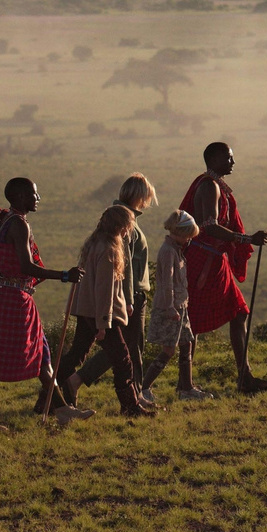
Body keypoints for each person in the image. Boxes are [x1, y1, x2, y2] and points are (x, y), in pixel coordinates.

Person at [0, 177, 89, 429]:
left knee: (40, 353)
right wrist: (64, 275)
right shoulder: (18, 225)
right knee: (5, 356)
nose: (38, 198)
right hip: (13, 300)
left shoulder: (6, 220)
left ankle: (62, 409)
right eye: (34, 194)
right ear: (21, 197)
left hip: (10, 297)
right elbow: (25, 266)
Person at [179, 142, 267, 393]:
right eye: (229, 157)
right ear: (214, 158)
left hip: (213, 260)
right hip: (204, 262)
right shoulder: (209, 187)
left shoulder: (215, 185)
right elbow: (209, 226)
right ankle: (185, 384)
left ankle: (245, 377)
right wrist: (245, 239)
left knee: (239, 312)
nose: (233, 162)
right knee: (193, 322)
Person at [63, 173, 156, 405]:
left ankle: (52, 393)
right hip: (122, 299)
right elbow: (122, 271)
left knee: (88, 350)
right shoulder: (124, 223)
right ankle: (132, 401)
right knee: (126, 352)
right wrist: (129, 300)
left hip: (107, 302)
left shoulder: (113, 220)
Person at [138, 210, 213, 403]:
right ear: (179, 233)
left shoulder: (177, 249)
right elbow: (166, 283)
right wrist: (170, 307)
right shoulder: (168, 251)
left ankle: (186, 388)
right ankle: (143, 388)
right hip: (170, 308)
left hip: (181, 305)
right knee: (169, 350)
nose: (189, 240)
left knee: (187, 343)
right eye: (187, 236)